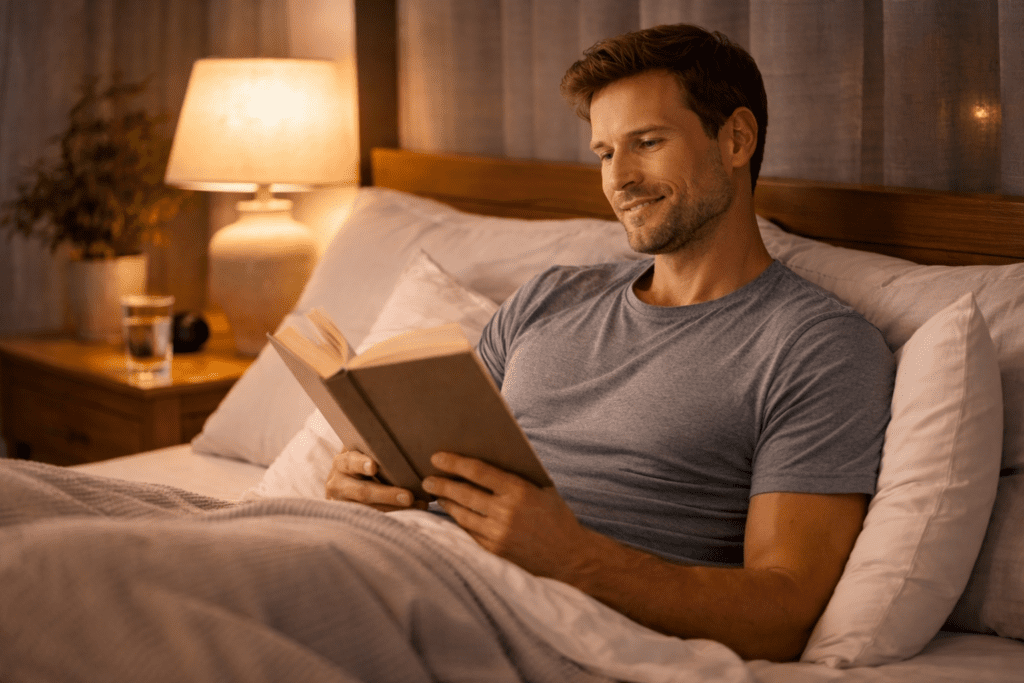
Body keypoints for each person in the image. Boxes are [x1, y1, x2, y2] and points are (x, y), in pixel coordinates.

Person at [325, 24, 895, 662]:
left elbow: (784, 612)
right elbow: (448, 461)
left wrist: (573, 558)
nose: (618, 180)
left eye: (647, 143)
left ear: (736, 139)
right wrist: (372, 482)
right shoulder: (550, 297)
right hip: (400, 561)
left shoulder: (817, 347)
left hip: (522, 621)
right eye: (604, 153)